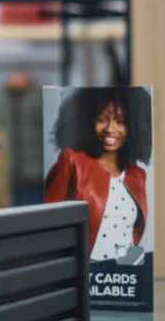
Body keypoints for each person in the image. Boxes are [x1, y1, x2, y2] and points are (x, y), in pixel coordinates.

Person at [44, 88, 153, 264]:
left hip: (126, 269)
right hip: (87, 269)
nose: (110, 129)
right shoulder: (72, 161)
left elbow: (132, 234)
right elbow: (49, 224)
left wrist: (133, 271)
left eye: (121, 122)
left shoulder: (137, 175)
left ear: (134, 127)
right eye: (101, 120)